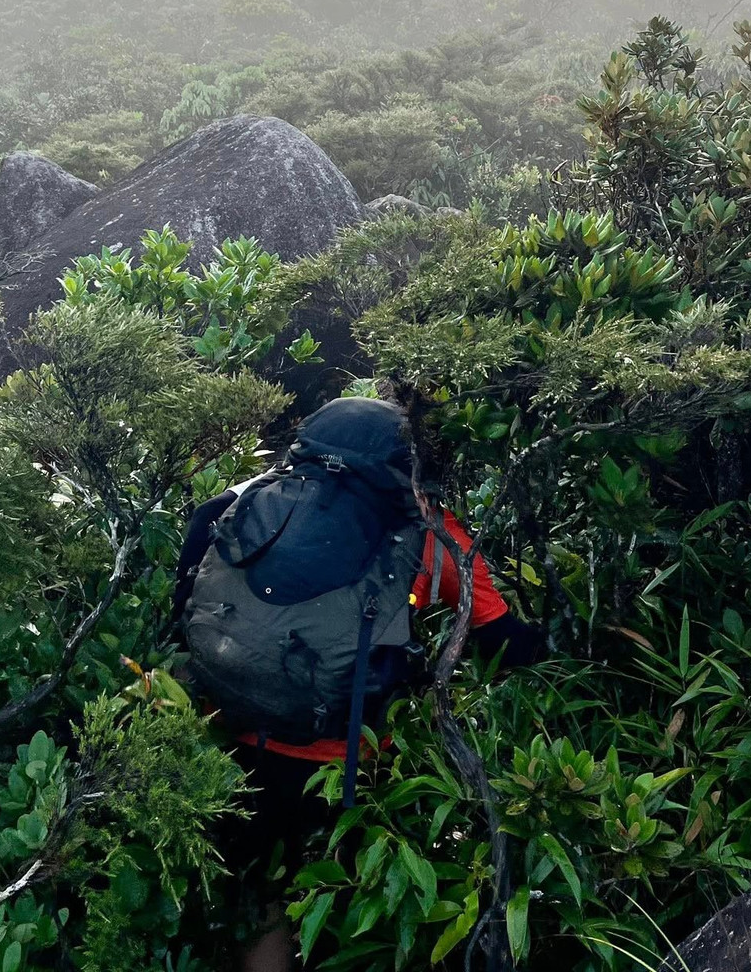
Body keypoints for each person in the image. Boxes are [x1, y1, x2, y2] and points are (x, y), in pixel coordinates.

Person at [172, 397, 543, 972]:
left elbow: (188, 598)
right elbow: (503, 643)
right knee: (340, 892)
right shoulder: (429, 530)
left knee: (258, 891)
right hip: (347, 759)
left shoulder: (242, 501)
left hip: (232, 731)